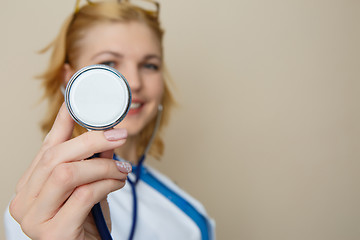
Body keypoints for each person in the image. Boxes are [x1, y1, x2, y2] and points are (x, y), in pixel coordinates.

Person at [4, 0, 215, 239]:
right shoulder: (40, 207)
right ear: (71, 80)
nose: (134, 82)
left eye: (149, 65)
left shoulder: (186, 211)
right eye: (109, 63)